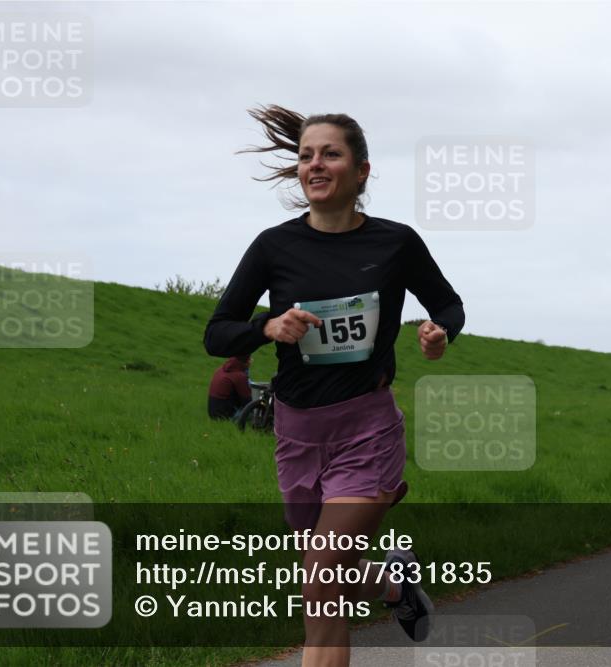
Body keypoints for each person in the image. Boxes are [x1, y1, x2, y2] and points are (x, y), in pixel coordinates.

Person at [203, 106, 464, 666]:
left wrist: (440, 332)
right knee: (327, 571)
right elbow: (216, 333)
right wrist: (267, 327)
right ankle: (394, 586)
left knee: (320, 580)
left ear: (361, 170)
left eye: (330, 154)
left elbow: (448, 304)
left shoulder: (395, 243)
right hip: (297, 435)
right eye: (306, 156)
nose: (314, 164)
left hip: (366, 431)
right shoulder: (274, 246)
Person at [207, 355, 252, 420]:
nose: (251, 361)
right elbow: (247, 402)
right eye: (249, 359)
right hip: (226, 415)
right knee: (256, 415)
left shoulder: (220, 370)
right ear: (245, 362)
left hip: (212, 413)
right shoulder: (240, 376)